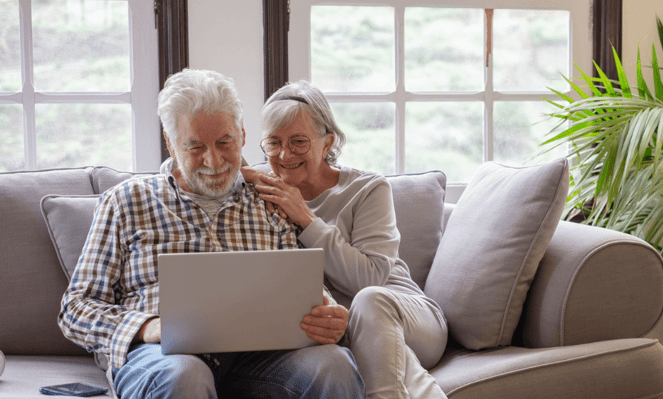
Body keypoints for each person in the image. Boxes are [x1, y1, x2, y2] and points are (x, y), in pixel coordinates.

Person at [58, 69, 365, 399]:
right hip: (165, 359)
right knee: (185, 377)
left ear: (243, 134)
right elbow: (75, 309)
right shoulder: (125, 201)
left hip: (261, 358)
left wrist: (328, 313)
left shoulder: (270, 200)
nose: (214, 161)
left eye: (224, 142)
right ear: (170, 143)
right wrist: (147, 327)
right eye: (195, 147)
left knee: (334, 365)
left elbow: (304, 285)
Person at [243, 80, 448, 399]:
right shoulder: (260, 186)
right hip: (339, 330)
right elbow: (181, 169)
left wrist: (305, 218)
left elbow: (369, 278)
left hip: (402, 316)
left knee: (368, 300)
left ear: (327, 143)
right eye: (273, 142)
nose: (284, 154)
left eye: (298, 141)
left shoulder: (368, 190)